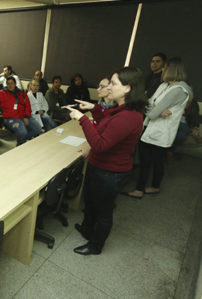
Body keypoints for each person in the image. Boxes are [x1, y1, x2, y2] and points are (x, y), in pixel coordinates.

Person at [66, 66, 146, 255]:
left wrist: (82, 118)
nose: (109, 87)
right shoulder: (122, 109)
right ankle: (87, 229)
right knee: (91, 201)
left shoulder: (128, 117)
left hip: (111, 172)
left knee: (104, 210)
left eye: (113, 83)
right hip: (99, 165)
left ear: (127, 88)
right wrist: (94, 108)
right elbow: (106, 122)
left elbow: (100, 144)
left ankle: (96, 245)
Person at [126, 58, 193, 199]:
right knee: (147, 161)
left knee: (155, 161)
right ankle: (145, 187)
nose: (162, 70)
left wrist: (154, 110)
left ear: (171, 69)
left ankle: (147, 188)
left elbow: (151, 111)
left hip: (161, 132)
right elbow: (147, 103)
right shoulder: (164, 85)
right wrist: (156, 110)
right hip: (150, 127)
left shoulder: (179, 90)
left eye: (165, 68)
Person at [0, 76, 41, 145]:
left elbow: (27, 106)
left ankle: (21, 140)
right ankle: (20, 144)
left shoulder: (22, 93)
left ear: (15, 84)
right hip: (11, 118)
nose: (10, 85)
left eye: (12, 83)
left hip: (24, 116)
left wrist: (26, 116)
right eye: (8, 83)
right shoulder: (2, 93)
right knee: (23, 132)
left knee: (37, 128)